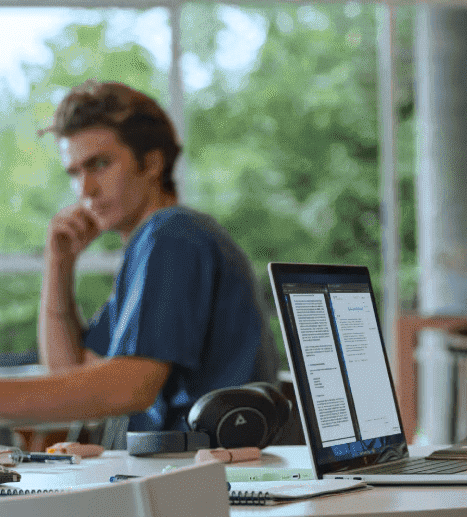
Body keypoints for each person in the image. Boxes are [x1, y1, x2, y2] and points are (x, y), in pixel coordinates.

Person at [0, 81, 277, 434]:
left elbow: (129, 388)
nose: (85, 190)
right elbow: (69, 373)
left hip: (202, 476)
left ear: (151, 163)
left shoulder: (172, 234)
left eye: (99, 164)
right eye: (75, 173)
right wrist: (59, 265)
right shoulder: (153, 245)